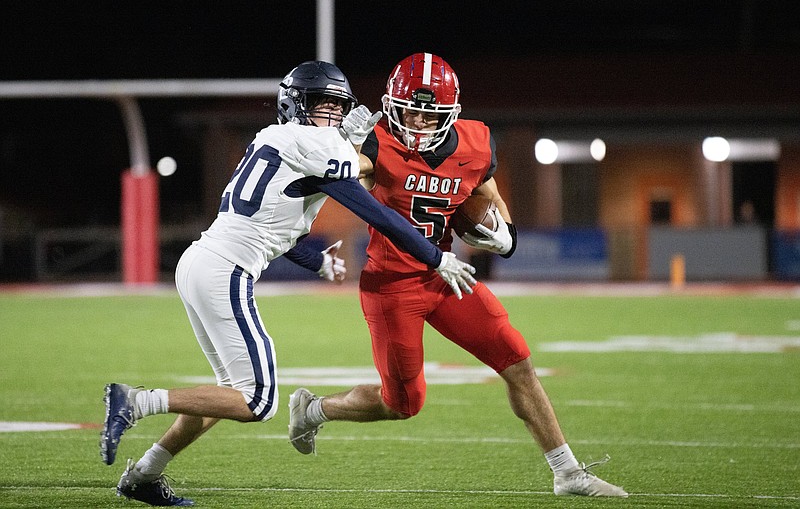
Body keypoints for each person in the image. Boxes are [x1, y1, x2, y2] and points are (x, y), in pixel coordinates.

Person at [99, 60, 477, 507]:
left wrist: (314, 260)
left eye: (338, 108)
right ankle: (136, 401)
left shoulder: (274, 139)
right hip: (225, 269)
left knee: (226, 394)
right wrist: (435, 256)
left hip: (204, 261)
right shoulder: (317, 146)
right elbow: (378, 213)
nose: (332, 116)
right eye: (322, 106)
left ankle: (145, 474)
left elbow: (276, 222)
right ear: (295, 105)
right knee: (257, 401)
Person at [288, 53, 628, 497]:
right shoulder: (374, 143)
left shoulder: (474, 143)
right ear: (392, 106)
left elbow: (487, 194)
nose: (417, 123)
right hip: (392, 285)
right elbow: (336, 175)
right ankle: (314, 410)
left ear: (451, 115)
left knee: (517, 360)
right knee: (403, 404)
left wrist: (505, 235)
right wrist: (341, 150)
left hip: (447, 276)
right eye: (409, 110)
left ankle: (568, 473)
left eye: (429, 115)